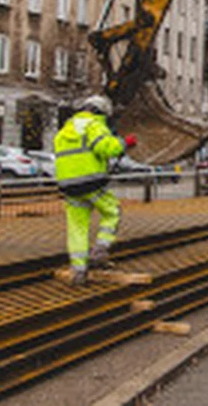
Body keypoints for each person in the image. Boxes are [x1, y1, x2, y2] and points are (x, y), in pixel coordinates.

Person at [51, 95, 136, 286]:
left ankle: (79, 271)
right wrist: (125, 143)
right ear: (101, 112)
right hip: (90, 181)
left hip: (67, 185)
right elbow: (106, 147)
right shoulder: (94, 125)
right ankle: (100, 250)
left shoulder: (66, 128)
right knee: (112, 211)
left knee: (77, 228)